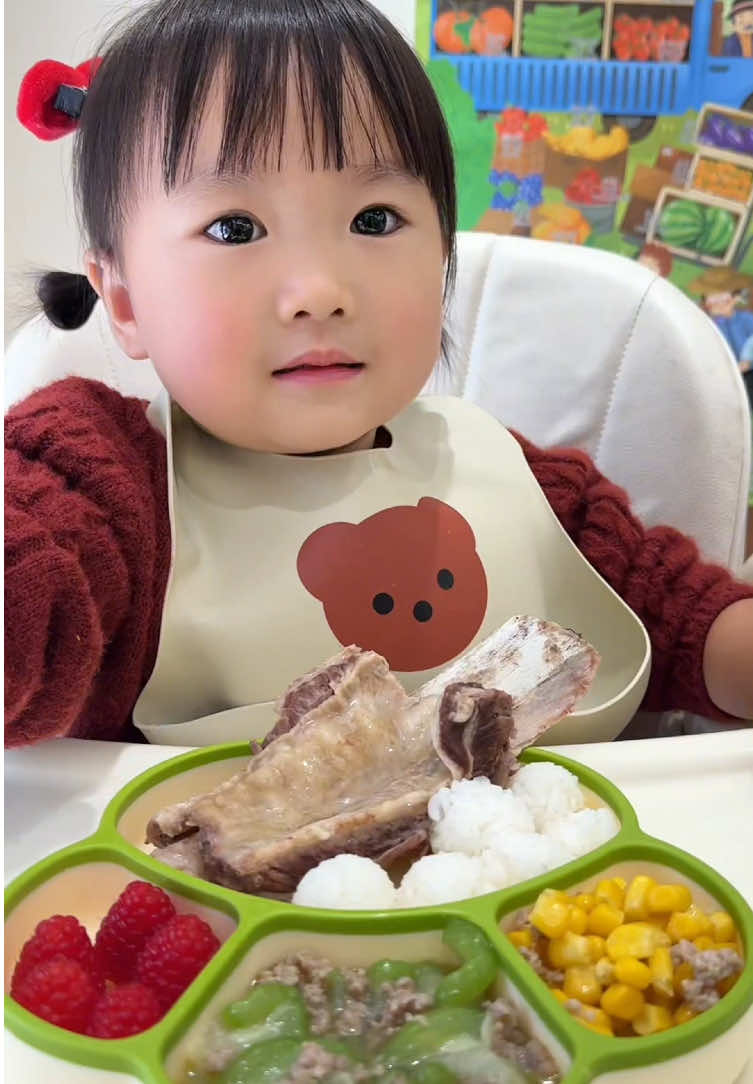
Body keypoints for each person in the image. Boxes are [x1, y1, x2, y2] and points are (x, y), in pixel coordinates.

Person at [5, 0, 753, 750]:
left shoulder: (532, 488)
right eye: (235, 228)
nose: (320, 291)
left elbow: (695, 632)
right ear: (126, 302)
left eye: (373, 220)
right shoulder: (98, 484)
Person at [689, 267, 753, 410]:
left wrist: (746, 362)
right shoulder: (708, 323)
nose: (716, 303)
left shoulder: (746, 320)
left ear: (735, 298)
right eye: (711, 298)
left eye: (722, 298)